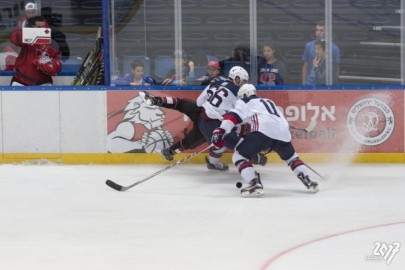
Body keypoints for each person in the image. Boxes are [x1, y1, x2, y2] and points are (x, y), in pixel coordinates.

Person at [211, 84, 319, 197]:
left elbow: (233, 116)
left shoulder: (245, 101)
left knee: (239, 156)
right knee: (292, 158)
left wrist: (221, 129)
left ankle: (254, 183)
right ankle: (308, 181)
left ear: (243, 95)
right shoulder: (268, 101)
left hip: (263, 133)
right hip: (283, 133)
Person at [139, 90, 267, 167]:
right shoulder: (243, 107)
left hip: (202, 112)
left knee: (181, 104)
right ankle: (171, 151)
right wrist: (256, 157)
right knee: (191, 141)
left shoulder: (236, 98)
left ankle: (157, 100)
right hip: (208, 123)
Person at [196, 66, 249, 171]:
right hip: (216, 125)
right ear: (237, 79)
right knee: (240, 144)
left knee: (221, 144)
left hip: (201, 122)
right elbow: (241, 114)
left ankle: (213, 163)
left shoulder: (214, 83)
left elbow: (199, 102)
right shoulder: (238, 92)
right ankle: (250, 166)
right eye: (243, 81)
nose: (243, 84)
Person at [10, 16, 62, 86]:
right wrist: (30, 34)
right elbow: (14, 37)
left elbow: (58, 62)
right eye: (38, 27)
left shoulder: (52, 44)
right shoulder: (25, 39)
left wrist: (52, 66)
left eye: (43, 27)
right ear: (32, 27)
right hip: (21, 81)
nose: (41, 29)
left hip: (44, 83)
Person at [301, 20, 340, 85]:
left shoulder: (334, 48)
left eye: (321, 30)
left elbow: (336, 70)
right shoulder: (308, 46)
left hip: (326, 86)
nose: (318, 33)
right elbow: (305, 67)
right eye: (317, 30)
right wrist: (303, 85)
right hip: (310, 84)